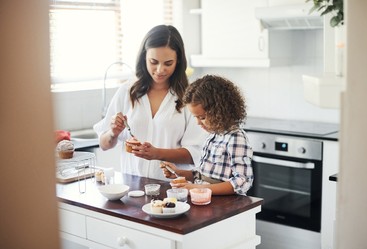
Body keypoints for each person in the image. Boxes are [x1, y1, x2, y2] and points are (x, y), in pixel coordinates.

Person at [93, 25, 208, 180]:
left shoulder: (190, 97)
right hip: (132, 187)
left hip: (172, 190)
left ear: (178, 61)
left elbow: (195, 153)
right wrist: (113, 132)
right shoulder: (127, 91)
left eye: (168, 63)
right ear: (144, 57)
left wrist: (157, 153)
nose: (160, 70)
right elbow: (104, 144)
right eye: (153, 62)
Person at [161, 75, 253, 195]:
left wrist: (196, 189)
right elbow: (204, 176)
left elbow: (242, 181)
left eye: (202, 117)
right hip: (207, 202)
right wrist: (179, 173)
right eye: (196, 117)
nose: (198, 122)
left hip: (226, 205)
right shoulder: (212, 136)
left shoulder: (235, 138)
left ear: (219, 112)